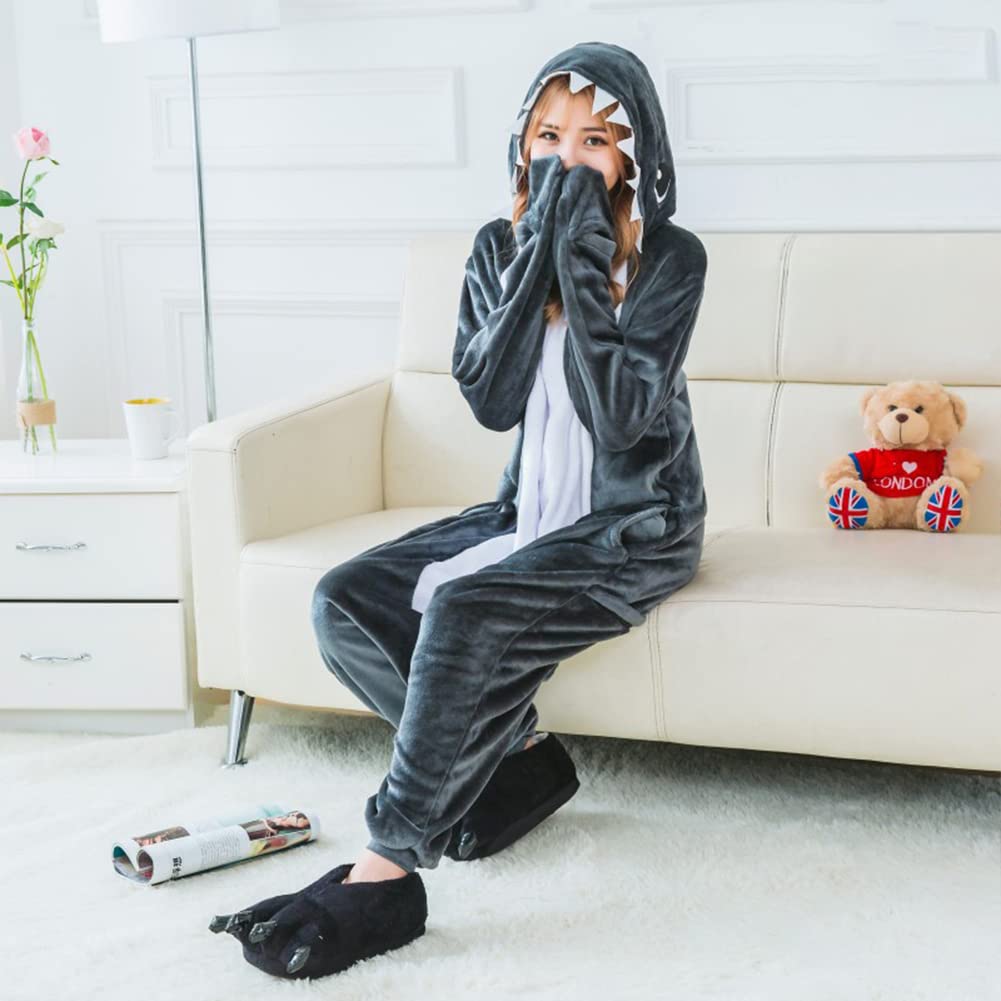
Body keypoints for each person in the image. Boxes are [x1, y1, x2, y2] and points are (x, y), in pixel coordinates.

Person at [210, 39, 709, 980]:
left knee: (464, 608)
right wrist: (538, 259)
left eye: (595, 140)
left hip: (634, 522)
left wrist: (583, 259)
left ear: (635, 155)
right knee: (346, 598)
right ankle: (514, 764)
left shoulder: (669, 260)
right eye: (549, 137)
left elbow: (622, 415)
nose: (568, 159)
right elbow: (490, 397)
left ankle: (386, 868)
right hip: (527, 510)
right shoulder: (495, 246)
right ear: (522, 145)